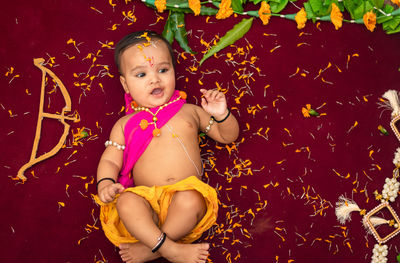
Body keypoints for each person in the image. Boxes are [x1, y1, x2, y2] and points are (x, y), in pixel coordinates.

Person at [94, 30, 239, 263]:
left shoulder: (189, 111)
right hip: (146, 202)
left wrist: (221, 114)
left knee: (191, 199)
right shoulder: (124, 124)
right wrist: (106, 183)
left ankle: (153, 248)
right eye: (141, 74)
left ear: (173, 70)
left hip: (183, 198)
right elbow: (111, 159)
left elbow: (227, 136)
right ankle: (171, 249)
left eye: (163, 70)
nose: (155, 79)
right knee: (126, 202)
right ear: (125, 84)